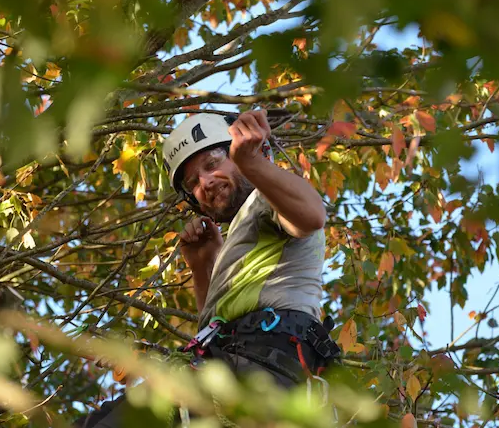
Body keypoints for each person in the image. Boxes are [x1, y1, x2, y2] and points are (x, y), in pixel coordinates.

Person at [74, 109, 340, 427]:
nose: (206, 182)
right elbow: (218, 328)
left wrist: (251, 162)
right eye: (193, 183)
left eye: (213, 164)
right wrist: (204, 268)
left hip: (264, 366)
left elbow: (312, 216)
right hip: (236, 364)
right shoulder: (243, 236)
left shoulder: (267, 199)